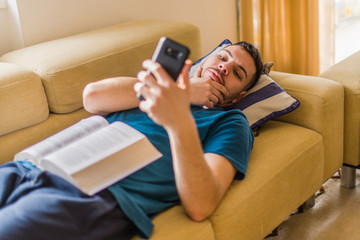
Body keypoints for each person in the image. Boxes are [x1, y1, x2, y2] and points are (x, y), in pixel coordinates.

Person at [0, 41, 263, 240]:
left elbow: (201, 204)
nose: (224, 67)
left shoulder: (231, 122)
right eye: (223, 57)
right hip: (30, 167)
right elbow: (92, 97)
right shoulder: (157, 86)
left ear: (237, 97)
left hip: (88, 194)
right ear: (206, 59)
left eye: (237, 73)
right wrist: (182, 92)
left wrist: (179, 117)